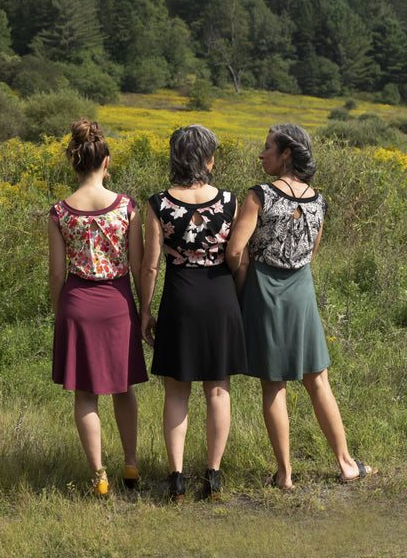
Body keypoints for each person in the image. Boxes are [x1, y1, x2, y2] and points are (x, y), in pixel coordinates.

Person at [226, 123, 377, 488]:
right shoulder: (319, 201)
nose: (261, 154)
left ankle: (285, 474)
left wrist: (241, 289)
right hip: (302, 291)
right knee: (318, 379)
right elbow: (311, 253)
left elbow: (235, 252)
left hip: (264, 289)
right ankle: (346, 463)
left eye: (267, 148)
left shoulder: (259, 195)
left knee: (273, 384)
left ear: (286, 153)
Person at [141, 124, 247, 502]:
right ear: (209, 159)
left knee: (176, 391)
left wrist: (144, 310)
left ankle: (177, 478)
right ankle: (214, 475)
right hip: (220, 297)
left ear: (175, 157)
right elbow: (239, 257)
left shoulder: (159, 203)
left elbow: (150, 265)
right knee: (218, 389)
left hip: (179, 298)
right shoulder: (231, 202)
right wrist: (239, 300)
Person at [48, 118, 148, 497]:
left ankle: (99, 476)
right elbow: (139, 266)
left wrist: (61, 311)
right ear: (107, 162)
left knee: (85, 395)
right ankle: (131, 464)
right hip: (118, 302)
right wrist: (144, 310)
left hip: (77, 301)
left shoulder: (60, 212)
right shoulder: (126, 207)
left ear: (74, 163)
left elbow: (57, 274)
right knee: (123, 389)